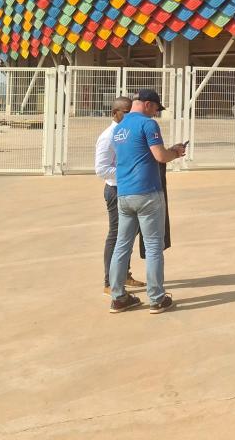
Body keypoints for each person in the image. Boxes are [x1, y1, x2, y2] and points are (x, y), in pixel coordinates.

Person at [107, 89, 185, 314]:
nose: (156, 115)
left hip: (124, 194)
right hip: (148, 193)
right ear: (148, 105)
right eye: (156, 110)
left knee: (122, 246)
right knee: (153, 247)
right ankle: (157, 298)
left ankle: (118, 297)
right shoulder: (147, 125)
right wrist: (175, 152)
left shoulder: (119, 128)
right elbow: (160, 156)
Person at [95, 96, 146, 295]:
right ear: (114, 113)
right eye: (125, 112)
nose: (129, 115)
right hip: (116, 190)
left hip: (131, 189)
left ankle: (123, 274)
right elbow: (101, 169)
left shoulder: (127, 133)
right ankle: (109, 281)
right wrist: (129, 171)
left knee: (129, 234)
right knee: (116, 235)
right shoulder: (108, 136)